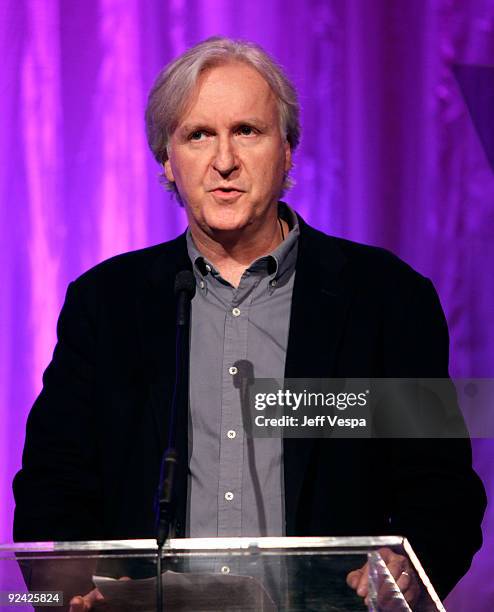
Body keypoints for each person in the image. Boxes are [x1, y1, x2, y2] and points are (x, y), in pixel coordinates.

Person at [13, 36, 486, 608]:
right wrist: (67, 593)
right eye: (197, 135)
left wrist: (407, 566)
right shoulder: (105, 304)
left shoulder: (386, 299)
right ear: (167, 160)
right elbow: (53, 484)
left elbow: (443, 491)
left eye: (247, 131)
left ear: (288, 151)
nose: (224, 161)